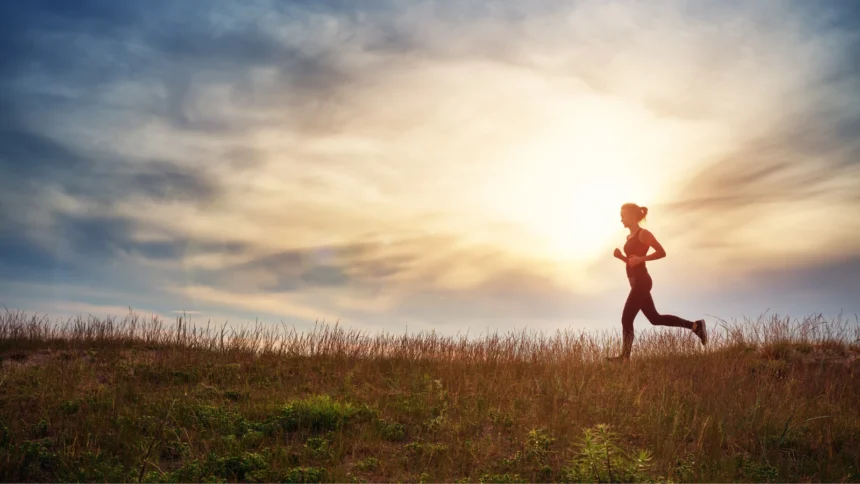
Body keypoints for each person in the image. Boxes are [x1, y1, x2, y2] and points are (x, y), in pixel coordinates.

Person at [609, 203, 707, 361]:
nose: (621, 219)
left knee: (626, 318)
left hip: (642, 281)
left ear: (632, 216)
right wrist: (621, 257)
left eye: (623, 215)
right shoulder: (629, 238)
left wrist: (642, 258)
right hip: (635, 282)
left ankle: (625, 358)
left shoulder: (643, 234)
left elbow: (661, 252)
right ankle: (696, 326)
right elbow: (632, 262)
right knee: (655, 318)